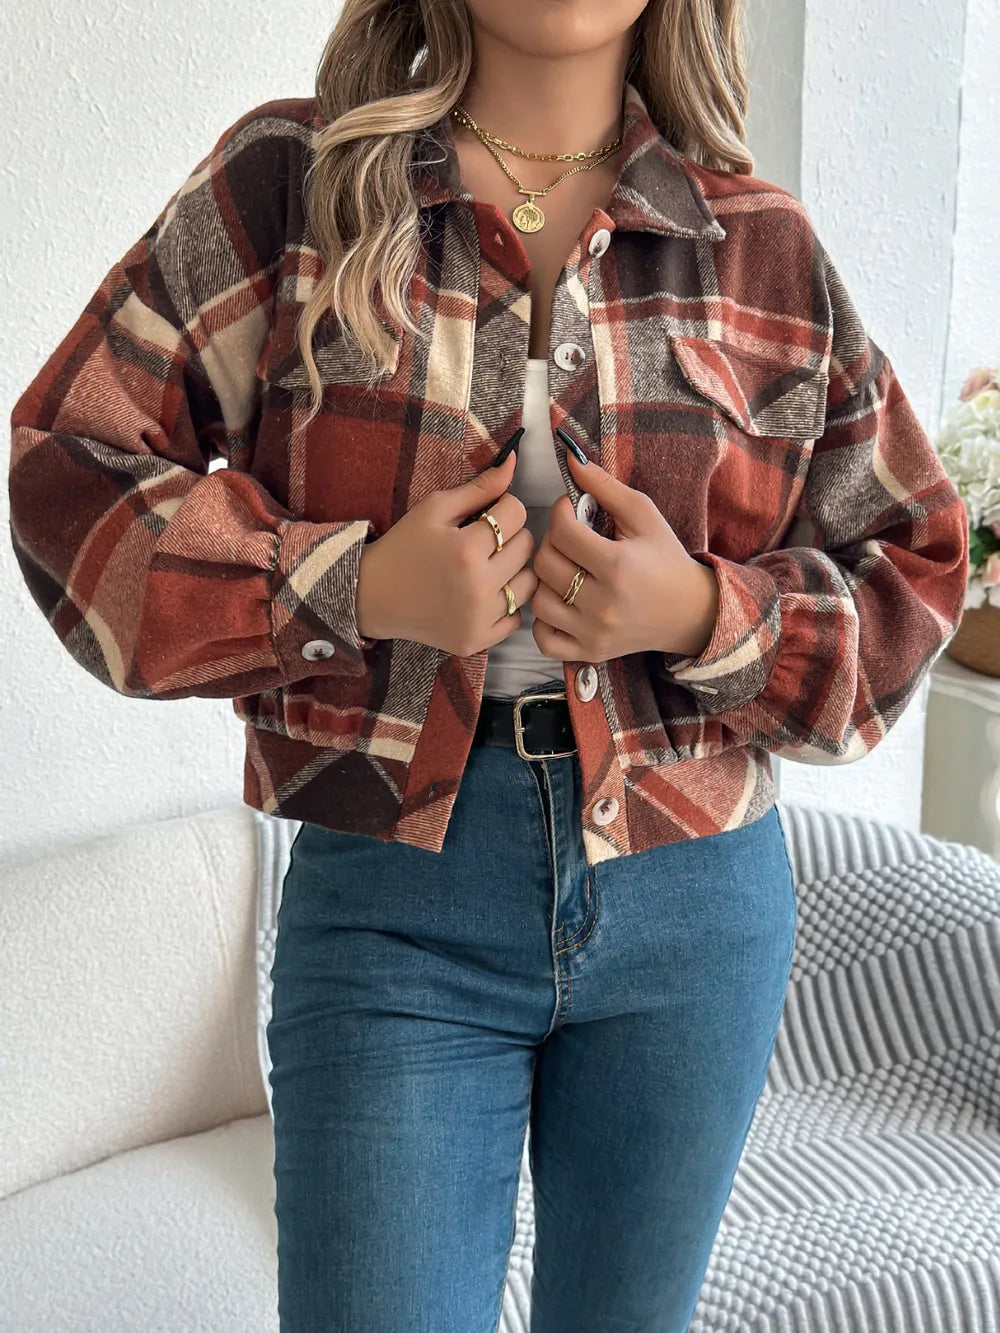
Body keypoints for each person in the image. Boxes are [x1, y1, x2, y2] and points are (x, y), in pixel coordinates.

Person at [7, 1, 970, 1330]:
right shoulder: (295, 188)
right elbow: (68, 474)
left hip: (697, 907)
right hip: (395, 901)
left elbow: (916, 566)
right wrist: (352, 584)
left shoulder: (757, 244)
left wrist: (706, 612)